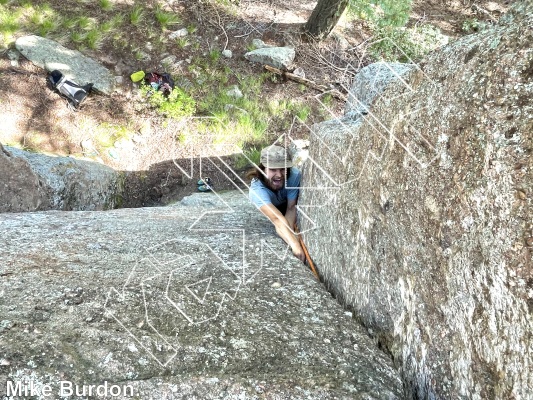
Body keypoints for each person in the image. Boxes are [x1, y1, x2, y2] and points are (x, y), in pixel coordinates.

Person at [248, 145, 305, 262]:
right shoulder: (257, 191)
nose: (279, 175)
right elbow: (276, 218)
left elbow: (291, 207)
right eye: (273, 170)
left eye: (283, 169)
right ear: (262, 170)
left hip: (285, 206)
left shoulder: (293, 176)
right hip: (272, 208)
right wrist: (295, 245)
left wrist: (290, 236)